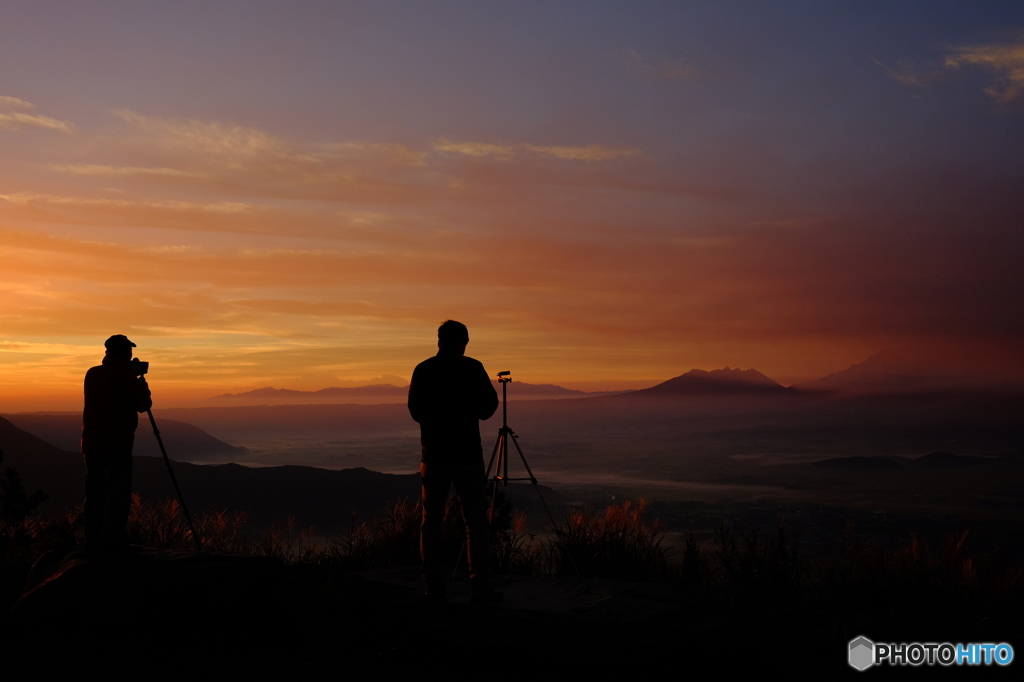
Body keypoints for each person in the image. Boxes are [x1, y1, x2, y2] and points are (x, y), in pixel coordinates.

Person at [408, 320, 501, 603]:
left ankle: (434, 584)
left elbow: (415, 410)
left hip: (433, 455)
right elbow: (488, 408)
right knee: (475, 523)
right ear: (465, 342)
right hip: (467, 455)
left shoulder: (423, 369)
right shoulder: (472, 368)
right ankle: (480, 587)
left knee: (431, 521)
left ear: (439, 341)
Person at [81, 334, 152, 554]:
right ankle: (113, 539)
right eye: (129, 351)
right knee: (117, 493)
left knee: (94, 492)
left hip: (91, 443)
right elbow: (143, 404)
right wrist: (141, 382)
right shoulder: (126, 378)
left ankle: (92, 538)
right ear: (126, 353)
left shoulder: (92, 374)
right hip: (117, 444)